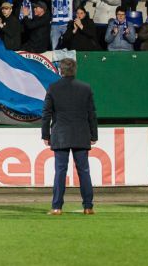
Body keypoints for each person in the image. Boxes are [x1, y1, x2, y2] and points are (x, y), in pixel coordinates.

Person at [41, 58, 98, 215]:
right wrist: (94, 135)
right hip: (81, 134)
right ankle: (88, 207)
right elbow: (91, 114)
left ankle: (57, 207)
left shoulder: (53, 88)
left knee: (60, 171)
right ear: (75, 70)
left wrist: (45, 134)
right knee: (84, 171)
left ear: (61, 70)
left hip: (61, 134)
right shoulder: (85, 88)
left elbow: (46, 114)